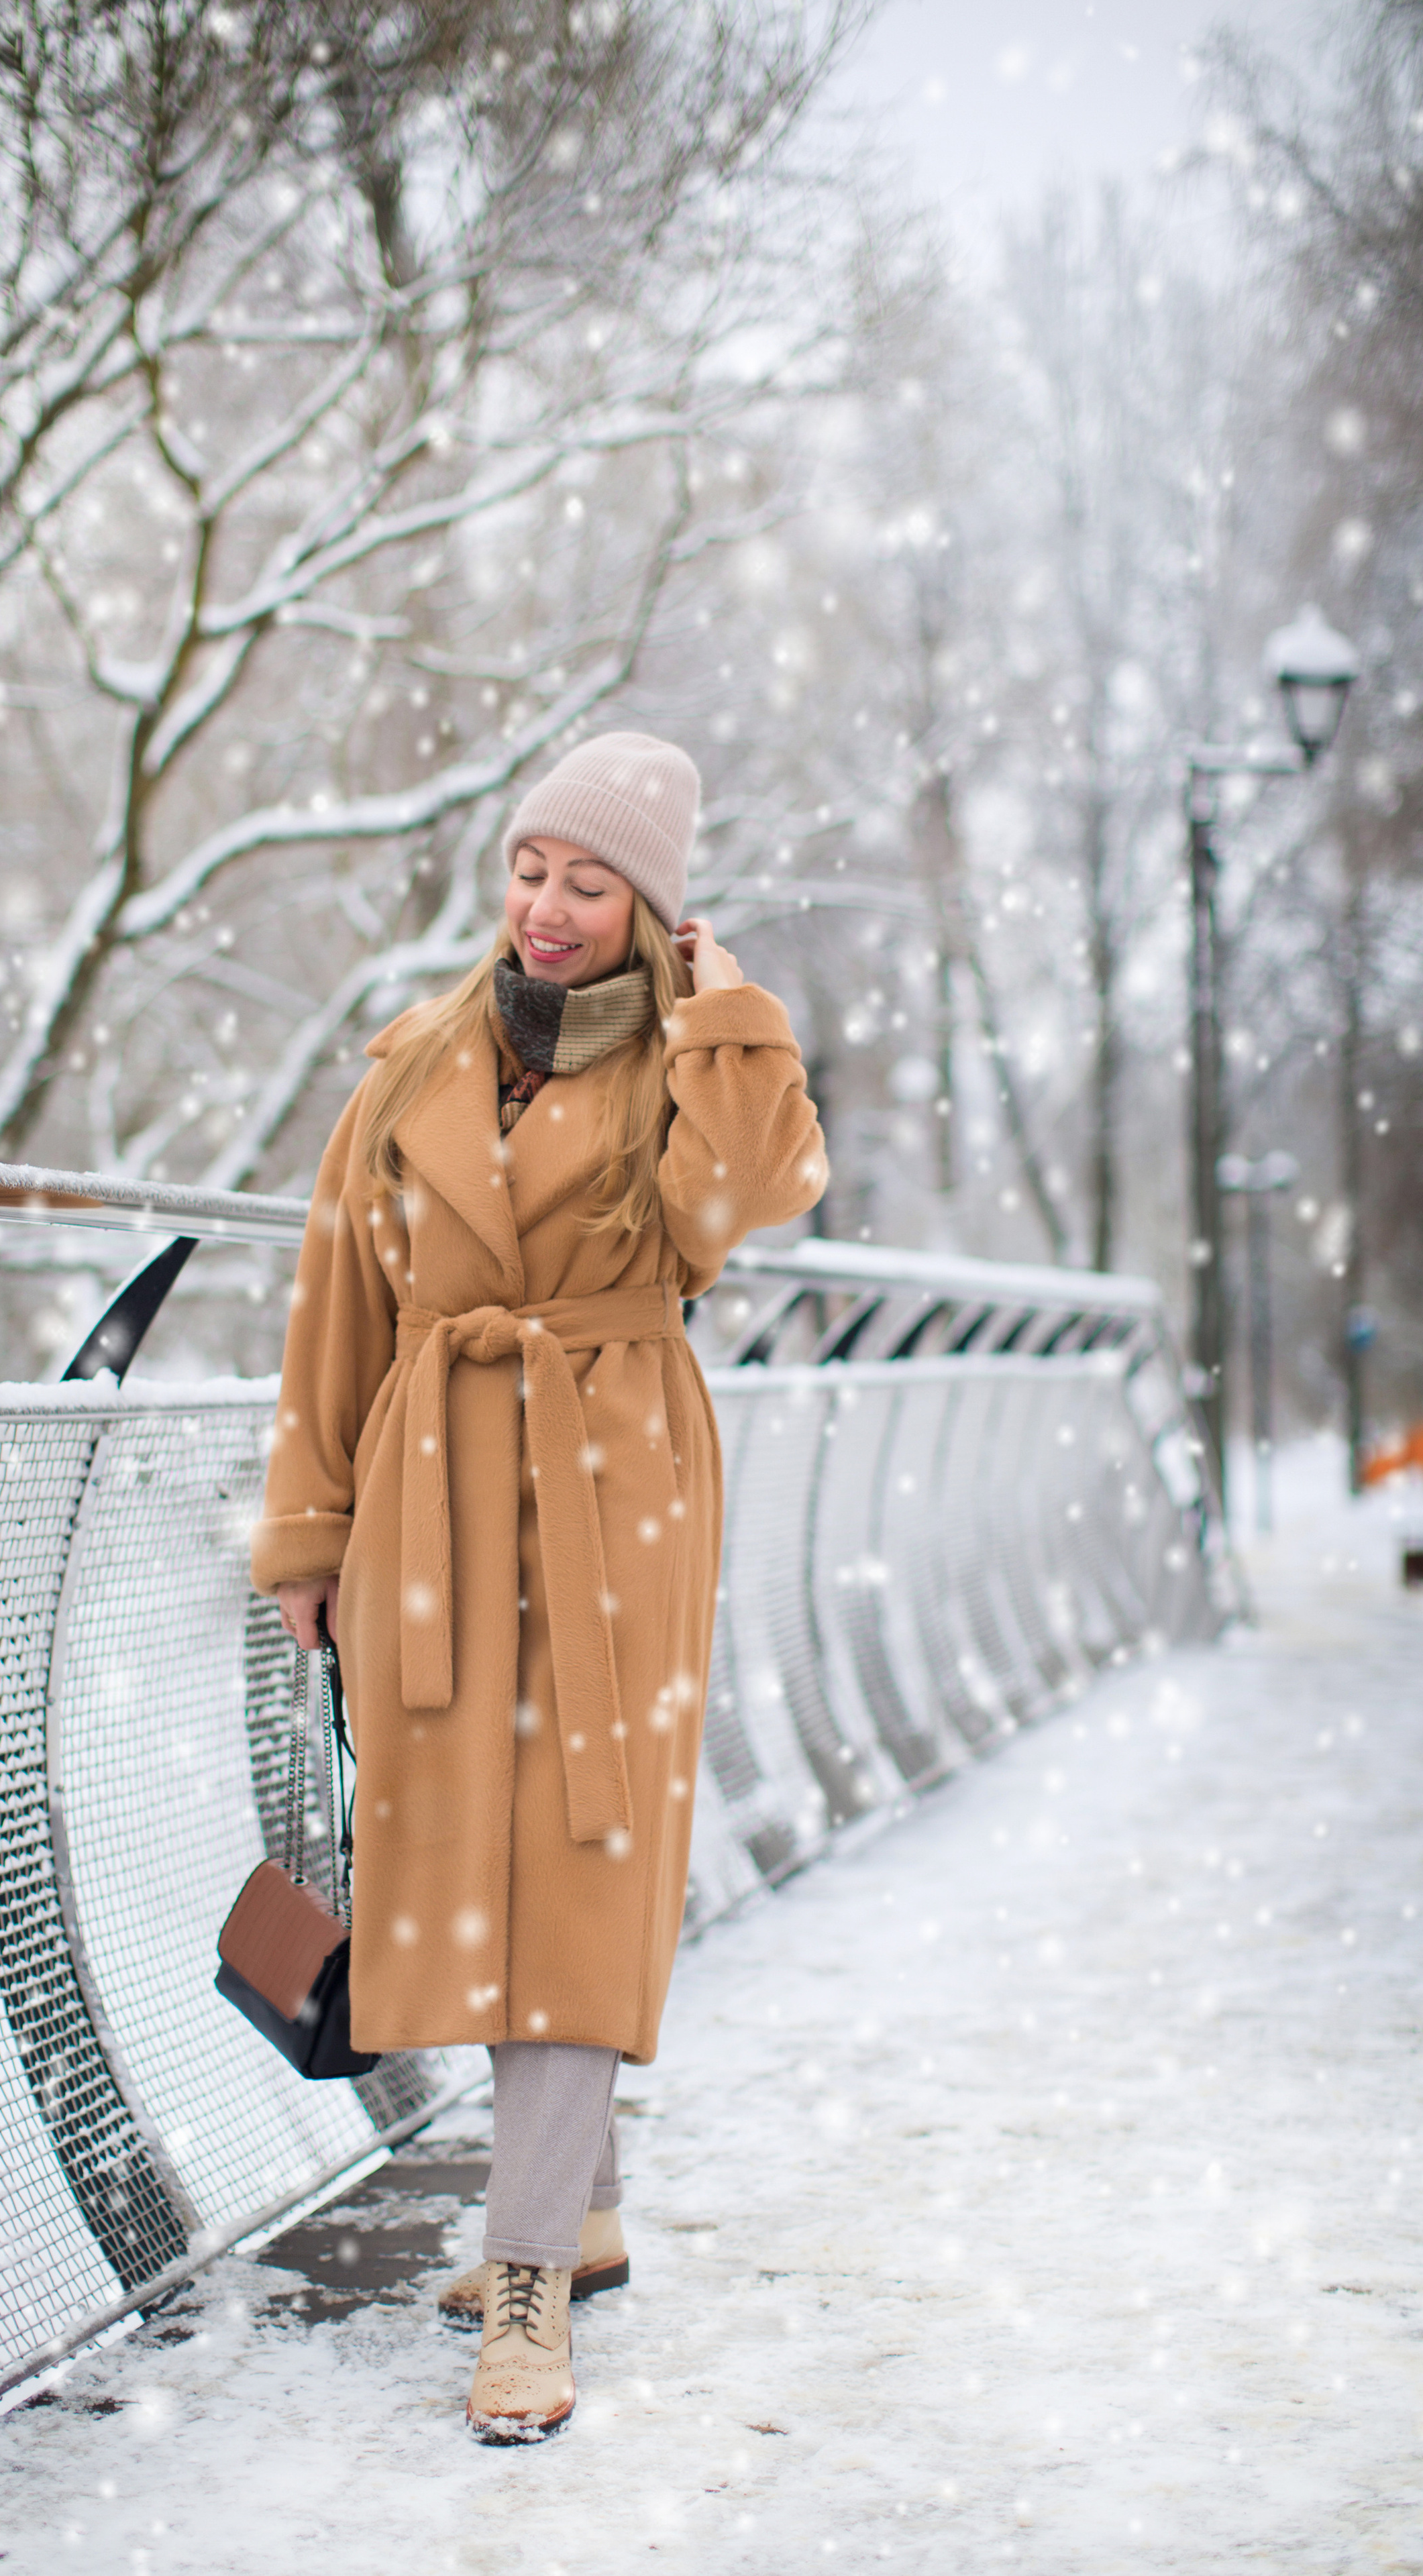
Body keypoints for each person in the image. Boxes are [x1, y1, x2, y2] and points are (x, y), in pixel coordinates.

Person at [250, 731, 826, 2440]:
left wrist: (727, 1014)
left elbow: (750, 1195)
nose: (548, 908)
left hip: (608, 1494)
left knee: (577, 1855)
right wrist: (309, 1535)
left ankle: (522, 2285)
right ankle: (573, 2213)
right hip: (428, 1505)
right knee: (450, 1858)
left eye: (591, 883)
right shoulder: (413, 1062)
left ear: (652, 910)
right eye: (531, 870)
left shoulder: (682, 1068)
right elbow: (335, 1308)